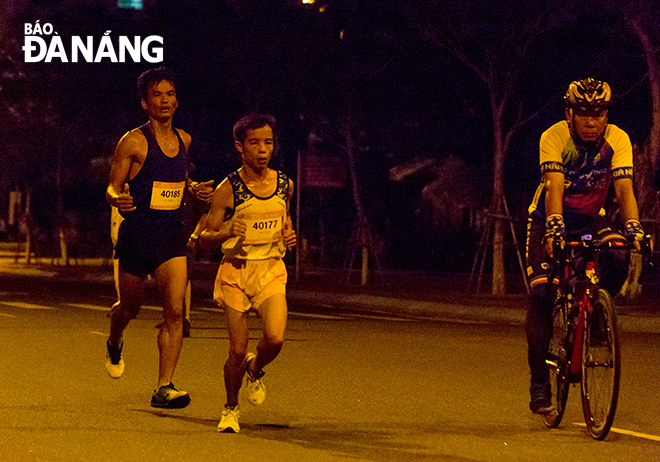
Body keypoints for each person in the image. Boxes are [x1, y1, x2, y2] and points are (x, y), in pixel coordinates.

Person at [525, 78, 646, 414]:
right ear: (569, 113)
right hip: (550, 216)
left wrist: (633, 227)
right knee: (541, 295)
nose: (592, 121)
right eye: (584, 114)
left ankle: (593, 315)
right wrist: (554, 229)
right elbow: (555, 187)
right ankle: (539, 384)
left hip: (593, 218)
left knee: (620, 252)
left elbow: (624, 188)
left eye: (599, 113)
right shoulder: (555, 137)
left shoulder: (617, 139)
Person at [105, 66, 212, 409]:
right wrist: (115, 197)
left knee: (175, 313)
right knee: (129, 307)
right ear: (144, 102)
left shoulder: (184, 140)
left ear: (177, 100)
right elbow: (112, 185)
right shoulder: (133, 141)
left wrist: (195, 190)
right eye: (156, 95)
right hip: (137, 236)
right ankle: (115, 338)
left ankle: (164, 386)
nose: (164, 101)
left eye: (169, 94)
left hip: (171, 238)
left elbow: (177, 178)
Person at [199, 114, 296, 433]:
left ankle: (256, 369)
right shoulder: (229, 189)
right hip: (236, 273)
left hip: (270, 271)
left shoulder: (284, 184)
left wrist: (289, 236)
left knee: (276, 338)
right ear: (240, 147)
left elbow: (284, 222)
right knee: (237, 349)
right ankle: (230, 408)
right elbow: (204, 236)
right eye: (255, 143)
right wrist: (226, 229)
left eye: (268, 142)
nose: (263, 150)